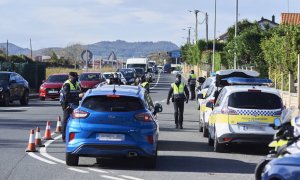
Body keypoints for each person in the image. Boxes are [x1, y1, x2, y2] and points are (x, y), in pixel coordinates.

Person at [60, 72, 83, 142]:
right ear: (71, 77)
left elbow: (79, 91)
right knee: (66, 120)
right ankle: (64, 137)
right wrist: (78, 96)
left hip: (75, 103)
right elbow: (67, 96)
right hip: (67, 104)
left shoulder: (76, 83)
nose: (77, 78)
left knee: (77, 119)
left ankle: (76, 136)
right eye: (76, 77)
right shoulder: (67, 84)